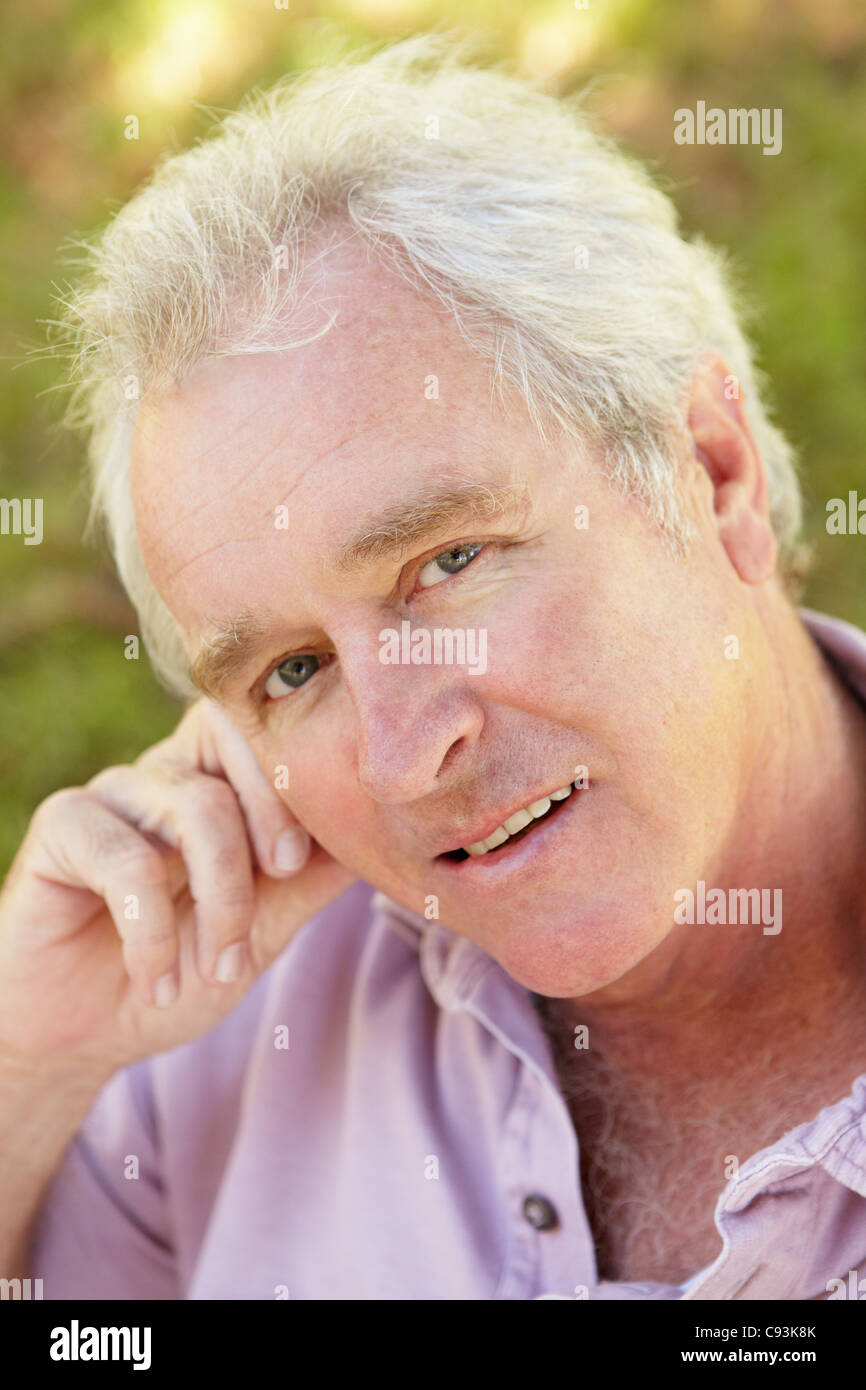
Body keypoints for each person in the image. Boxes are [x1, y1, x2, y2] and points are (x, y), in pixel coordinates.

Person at [2, 32, 865, 1302]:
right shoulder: (210, 1020)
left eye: (447, 561)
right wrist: (26, 1065)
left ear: (711, 470)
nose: (404, 758)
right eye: (292, 672)